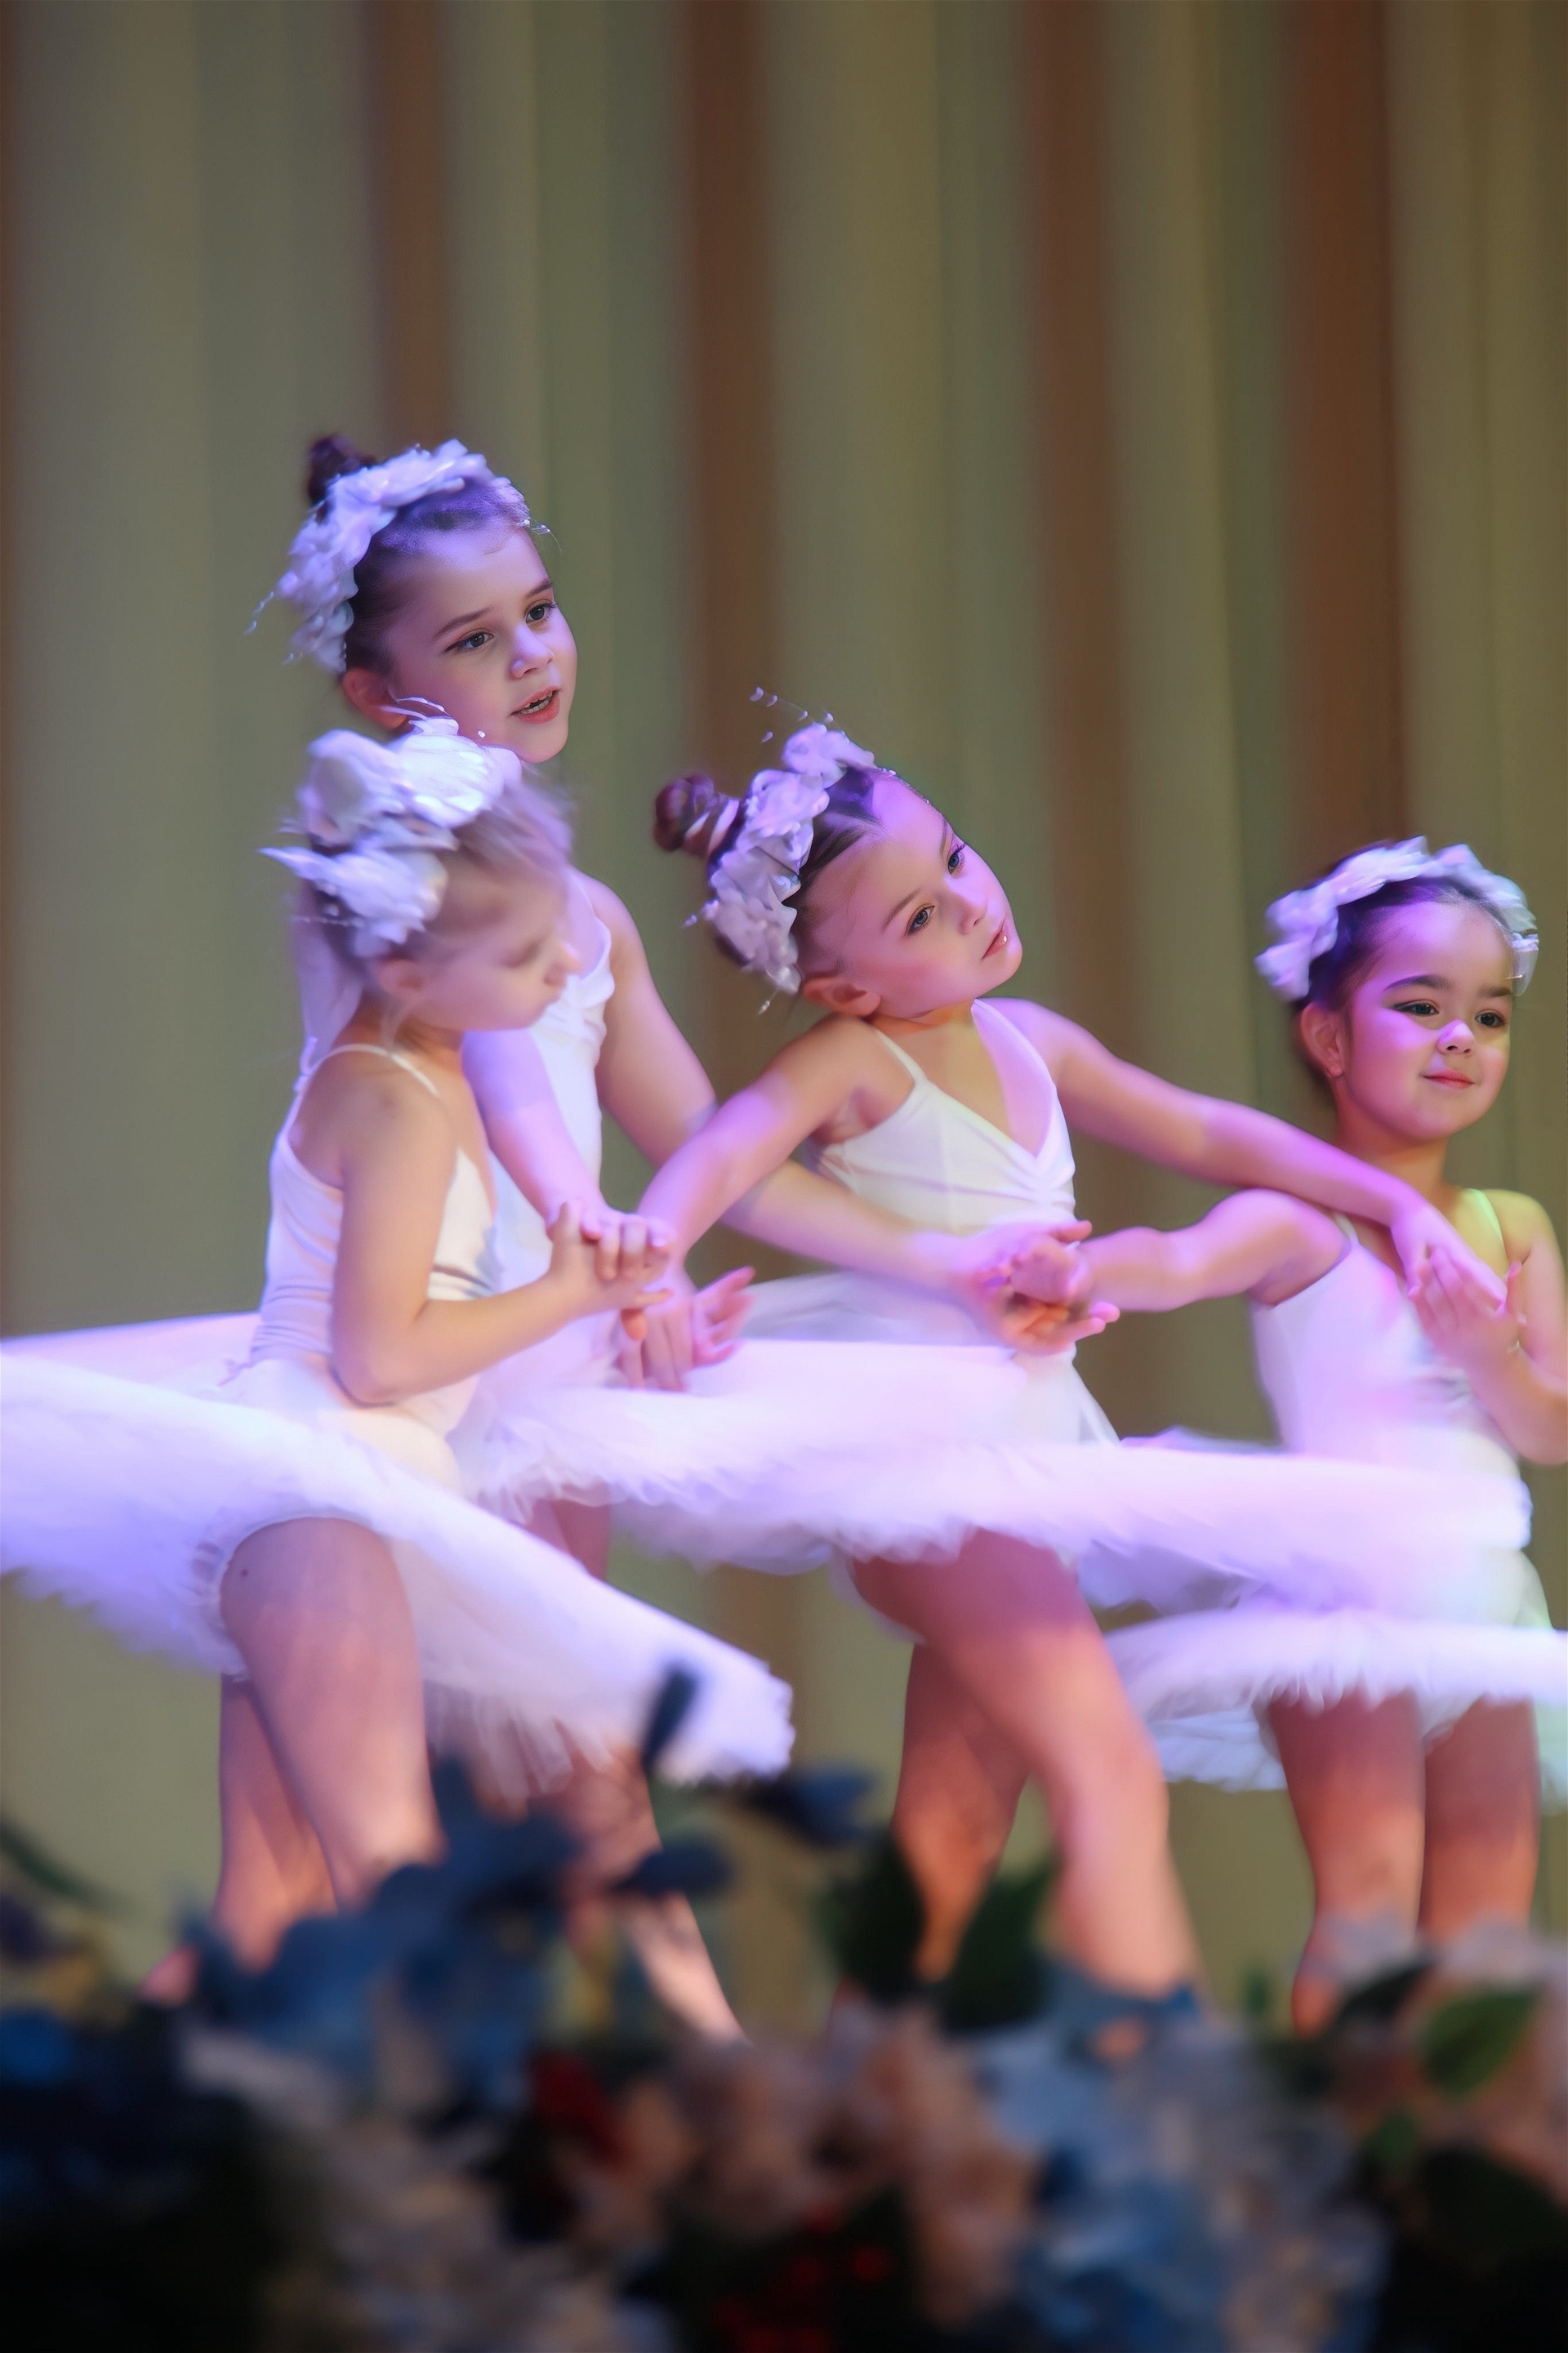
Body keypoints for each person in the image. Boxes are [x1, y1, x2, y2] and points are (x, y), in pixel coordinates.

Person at [611, 732, 1532, 1983]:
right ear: (841, 987)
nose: (971, 904)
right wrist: (651, 1266)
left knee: (952, 1837)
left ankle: (876, 2080)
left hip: (1033, 1451)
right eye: (920, 915)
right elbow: (723, 1155)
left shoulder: (1030, 1038)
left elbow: (1204, 1130)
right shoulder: (854, 1061)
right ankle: (1167, 2062)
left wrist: (1399, 1206)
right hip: (931, 1459)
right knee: (1107, 1773)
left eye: (956, 858)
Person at [1, 721, 793, 2034]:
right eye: (528, 955)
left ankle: (81, 2139)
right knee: (394, 1887)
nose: (562, 972)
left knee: (271, 1906)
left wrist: (616, 1312)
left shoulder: (411, 1069)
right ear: (411, 967)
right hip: (324, 1492)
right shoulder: (400, 1100)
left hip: (334, 1492)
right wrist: (572, 1290)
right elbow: (380, 1355)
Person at [1041, 844, 1566, 2029]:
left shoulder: (1511, 1227)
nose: (1460, 1038)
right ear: (1329, 1036)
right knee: (1367, 1908)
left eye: (1490, 1016)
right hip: (1345, 1598)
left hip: (1487, 1604)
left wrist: (1488, 1352)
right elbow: (1172, 1261)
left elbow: (1550, 1426)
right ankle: (1332, 2135)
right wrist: (1076, 1271)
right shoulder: (1297, 1223)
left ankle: (1454, 2140)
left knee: (1486, 1928)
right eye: (1419, 1006)